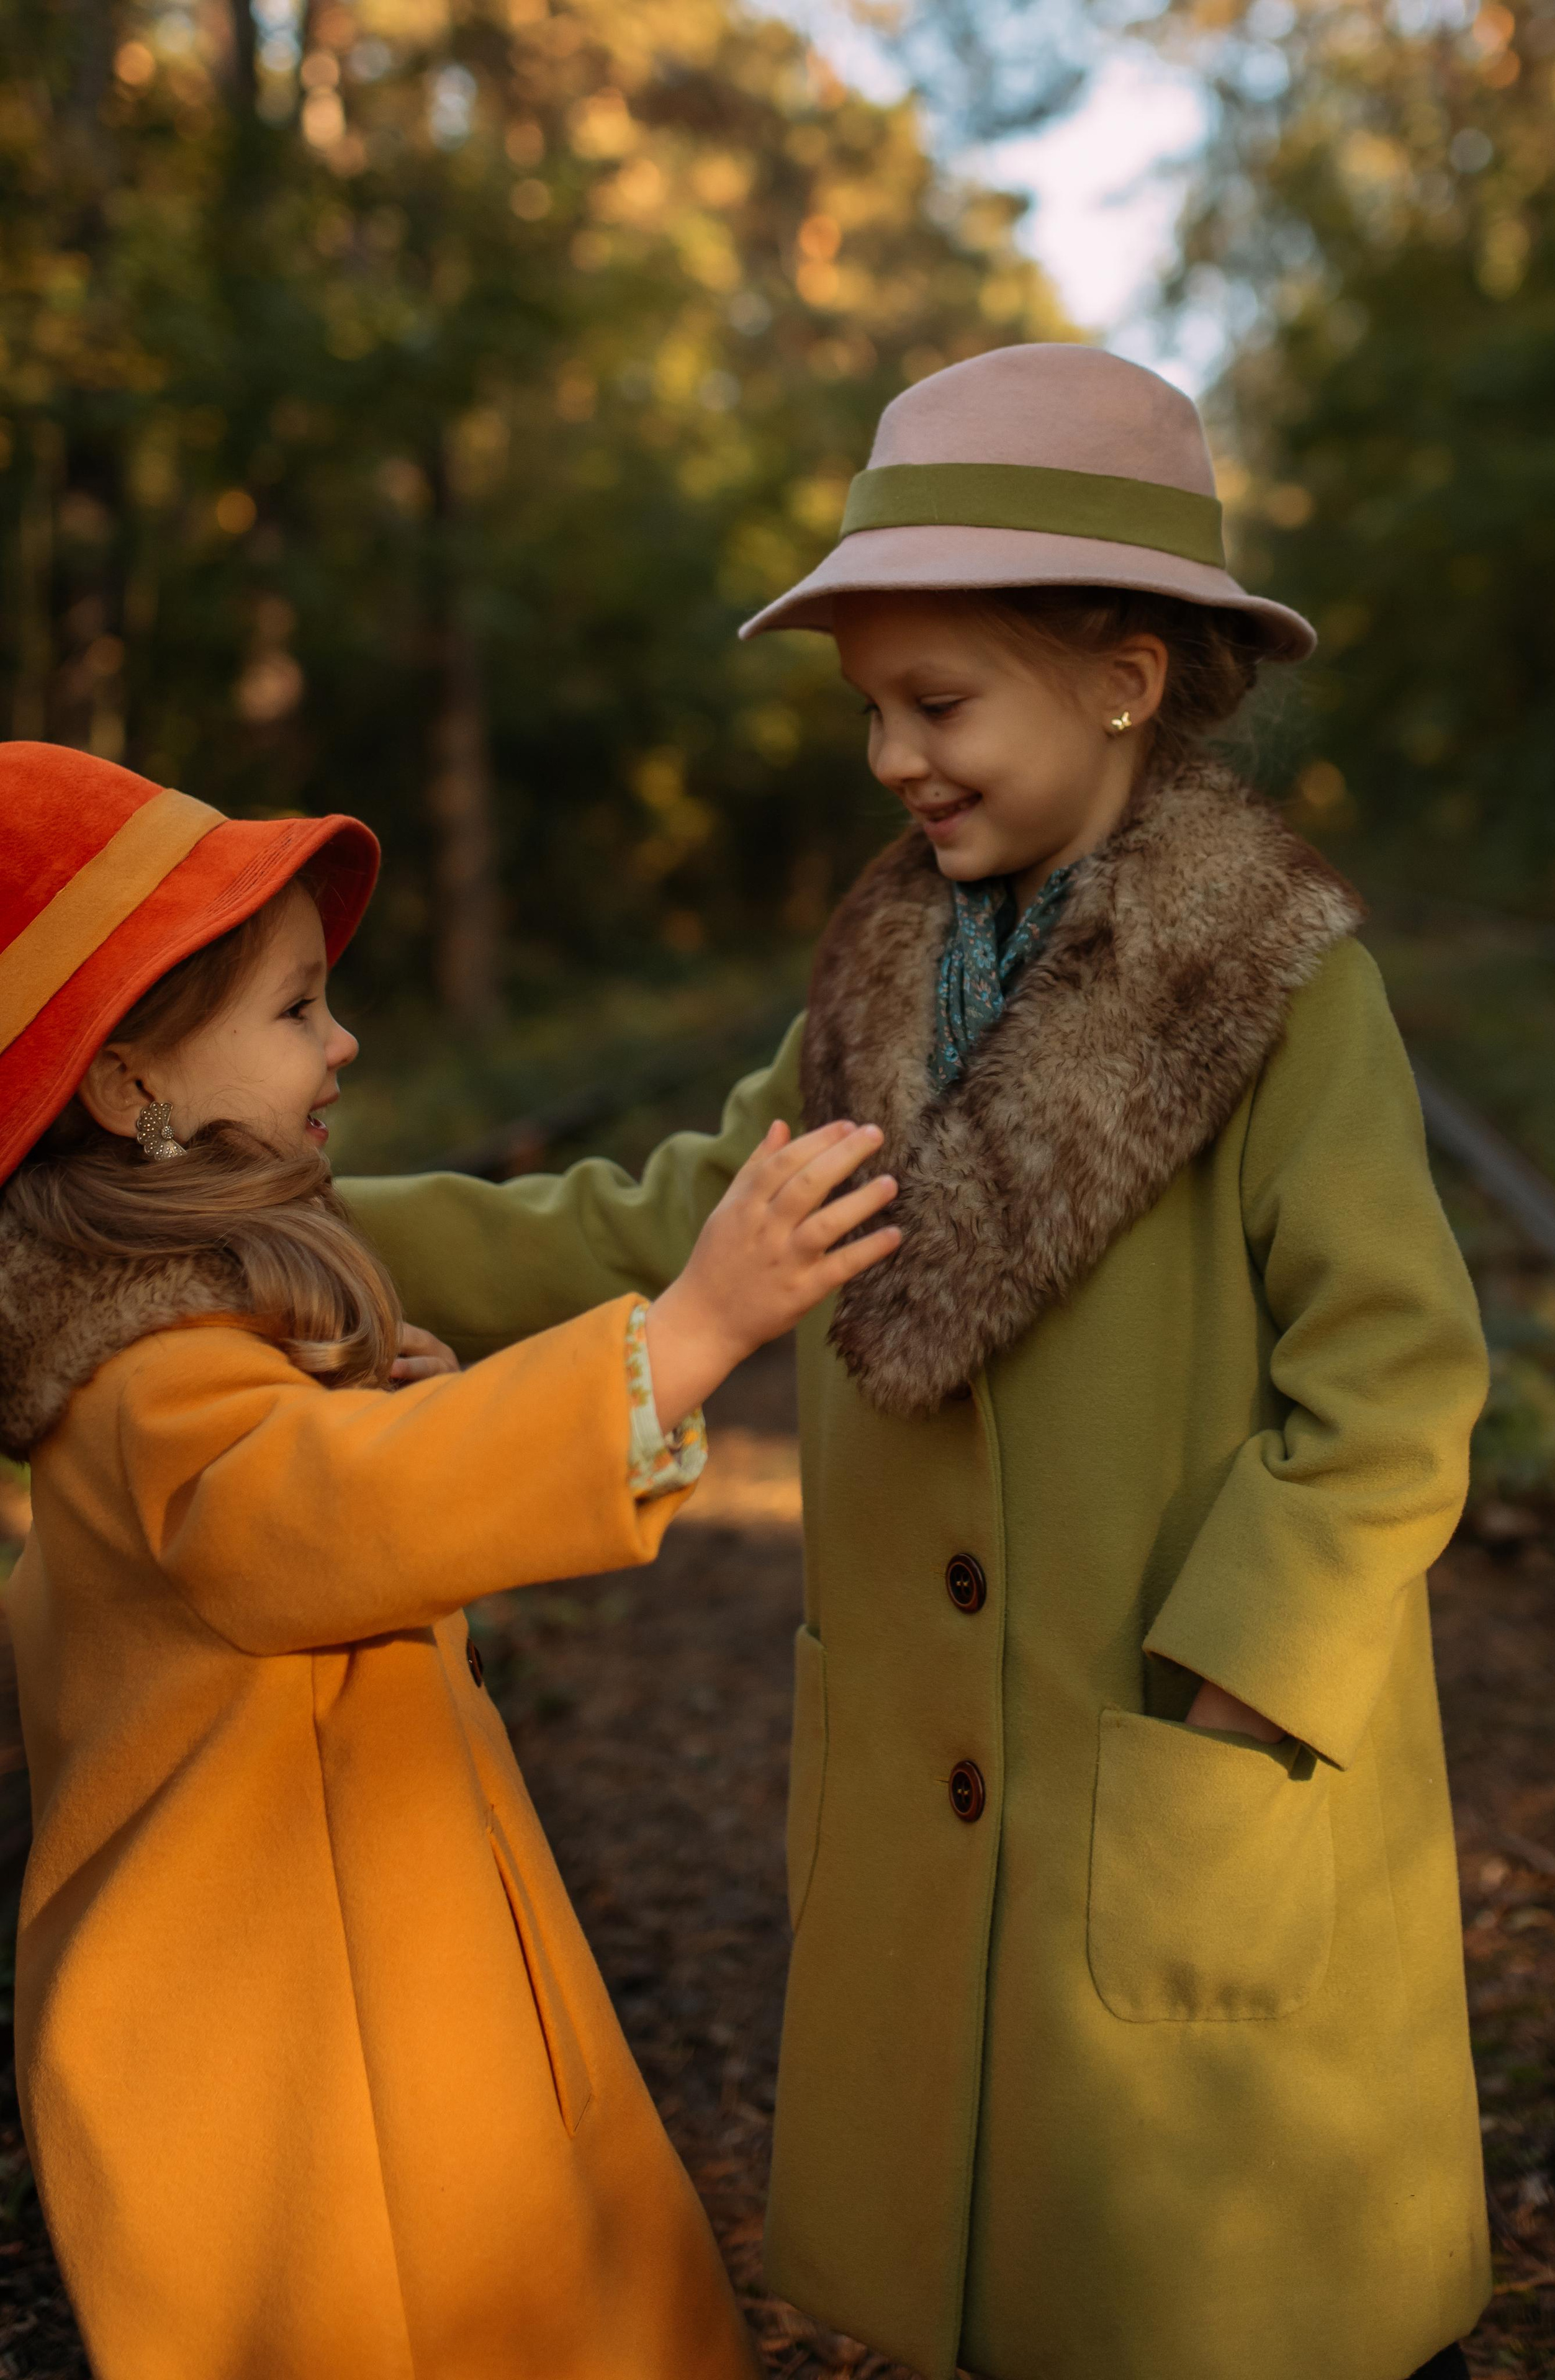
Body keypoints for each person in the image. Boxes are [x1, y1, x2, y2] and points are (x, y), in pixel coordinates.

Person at [340, 345, 1492, 2380]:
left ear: (1126, 674)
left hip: (1174, 1749)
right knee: (1009, 2282)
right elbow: (664, 1213)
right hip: (933, 1782)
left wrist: (1236, 1675)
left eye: (936, 704)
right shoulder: (884, 977)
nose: (891, 758)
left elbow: (1395, 1380)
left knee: (1186, 2289)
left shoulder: (1292, 995)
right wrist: (321, 1222)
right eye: (871, 709)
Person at [0, 742, 899, 2380]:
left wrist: (366, 1418)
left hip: (367, 1984)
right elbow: (326, 1527)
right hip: (295, 2063)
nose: (344, 1039)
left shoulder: (164, 1350)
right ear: (130, 1086)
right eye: (292, 1010)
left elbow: (284, 1521)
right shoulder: (147, 1378)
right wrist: (686, 1333)